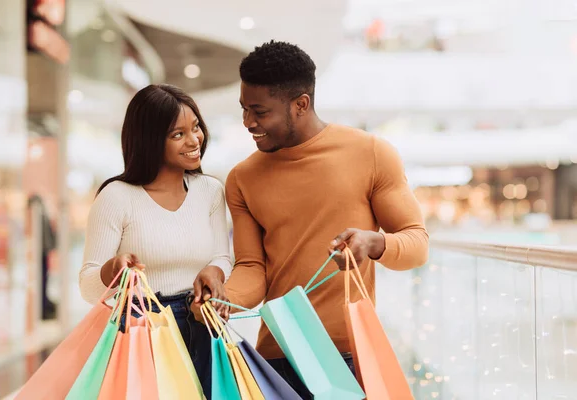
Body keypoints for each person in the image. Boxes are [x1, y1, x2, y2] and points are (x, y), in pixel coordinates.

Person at [221, 40, 429, 398]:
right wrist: (225, 298)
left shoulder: (371, 154)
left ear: (300, 104)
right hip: (276, 358)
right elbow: (253, 267)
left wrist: (374, 242)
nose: (248, 122)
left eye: (259, 111)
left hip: (349, 355)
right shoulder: (242, 178)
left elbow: (417, 244)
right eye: (243, 109)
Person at [79, 84, 231, 398]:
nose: (194, 141)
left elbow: (221, 256)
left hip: (203, 323)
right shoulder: (116, 197)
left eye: (196, 128)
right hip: (141, 327)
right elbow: (88, 286)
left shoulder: (210, 191)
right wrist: (113, 271)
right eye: (178, 134)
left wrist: (215, 274)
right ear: (149, 140)